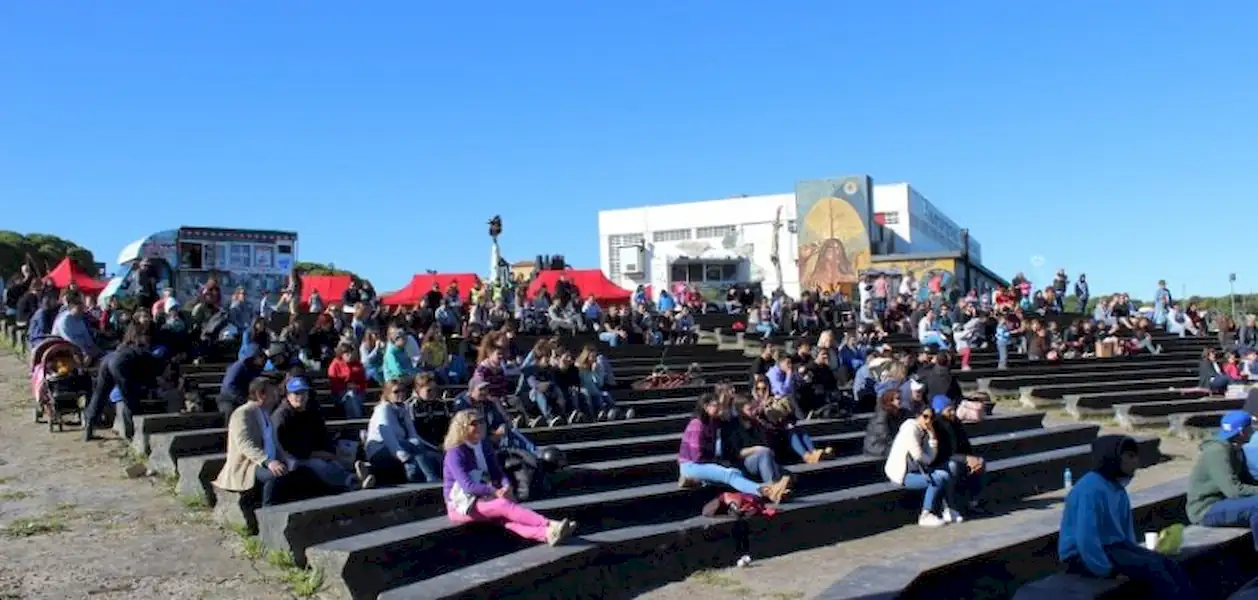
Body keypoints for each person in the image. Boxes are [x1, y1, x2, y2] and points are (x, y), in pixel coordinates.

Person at [1059, 435, 1197, 600]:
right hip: (1081, 556)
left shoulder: (1118, 488)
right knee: (1152, 568)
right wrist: (1106, 570)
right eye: (1130, 456)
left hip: (1113, 547)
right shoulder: (1090, 490)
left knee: (1168, 564)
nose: (1136, 462)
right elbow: (1086, 539)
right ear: (1112, 458)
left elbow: (1125, 533)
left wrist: (1135, 552)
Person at [442, 409, 576, 545]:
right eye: (474, 423)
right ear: (462, 428)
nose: (480, 425)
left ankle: (547, 534)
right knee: (503, 505)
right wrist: (495, 491)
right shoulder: (455, 453)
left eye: (482, 421)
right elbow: (468, 486)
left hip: (479, 498)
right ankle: (551, 525)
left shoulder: (484, 446)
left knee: (505, 518)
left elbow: (497, 472)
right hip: (460, 505)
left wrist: (506, 486)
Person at [677, 394, 790, 503]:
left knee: (734, 472)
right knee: (729, 473)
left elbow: (729, 415)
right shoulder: (697, 424)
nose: (720, 408)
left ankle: (695, 481)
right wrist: (718, 462)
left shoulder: (713, 423)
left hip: (704, 462)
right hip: (691, 465)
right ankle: (767, 491)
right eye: (716, 405)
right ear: (706, 407)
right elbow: (697, 457)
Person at [271, 377, 375, 493]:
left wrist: (330, 450)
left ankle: (358, 476)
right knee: (319, 464)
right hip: (293, 458)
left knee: (344, 450)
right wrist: (317, 454)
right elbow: (285, 447)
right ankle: (352, 481)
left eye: (304, 393)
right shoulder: (281, 416)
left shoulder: (311, 411)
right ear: (288, 395)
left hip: (314, 451)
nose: (301, 397)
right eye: (296, 393)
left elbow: (321, 435)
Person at [213, 378, 294, 507]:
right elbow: (245, 444)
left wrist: (286, 458)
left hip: (267, 461)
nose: (277, 396)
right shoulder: (243, 413)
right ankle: (268, 514)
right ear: (260, 395)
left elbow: (273, 442)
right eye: (273, 394)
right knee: (273, 477)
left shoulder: (267, 413)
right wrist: (268, 462)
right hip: (248, 464)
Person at [884, 404, 961, 527]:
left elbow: (930, 456)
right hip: (902, 474)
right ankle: (925, 515)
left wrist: (932, 436)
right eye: (925, 417)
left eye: (931, 418)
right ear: (917, 416)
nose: (928, 421)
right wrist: (930, 459)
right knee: (937, 479)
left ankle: (947, 509)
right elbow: (918, 456)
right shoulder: (910, 429)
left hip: (918, 470)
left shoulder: (924, 431)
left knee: (947, 473)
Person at [1188, 410, 1258, 546]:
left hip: (1225, 503)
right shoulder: (1217, 451)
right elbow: (1233, 491)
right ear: (1243, 432)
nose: (1253, 431)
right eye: (1251, 428)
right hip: (1206, 509)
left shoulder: (1236, 448)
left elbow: (1247, 480)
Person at [366, 379, 442, 483]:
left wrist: (434, 448)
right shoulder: (383, 409)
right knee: (414, 448)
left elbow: (413, 435)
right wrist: (402, 455)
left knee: (434, 456)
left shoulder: (403, 408)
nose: (400, 394)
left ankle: (418, 475)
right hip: (380, 449)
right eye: (396, 391)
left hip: (402, 447)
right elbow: (388, 437)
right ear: (388, 394)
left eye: (403, 391)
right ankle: (431, 478)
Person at [929, 396, 985, 514]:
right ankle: (950, 505)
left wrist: (974, 459)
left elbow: (965, 444)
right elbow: (942, 452)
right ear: (940, 410)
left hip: (960, 457)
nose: (953, 412)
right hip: (941, 460)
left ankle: (973, 502)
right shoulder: (936, 425)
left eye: (953, 409)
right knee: (953, 466)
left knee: (979, 463)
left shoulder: (956, 422)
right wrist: (966, 459)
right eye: (949, 410)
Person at [218, 344, 268, 419]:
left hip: (244, 398)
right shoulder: (239, 367)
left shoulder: (255, 368)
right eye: (261, 357)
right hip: (228, 399)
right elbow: (229, 386)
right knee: (231, 414)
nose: (263, 361)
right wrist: (243, 400)